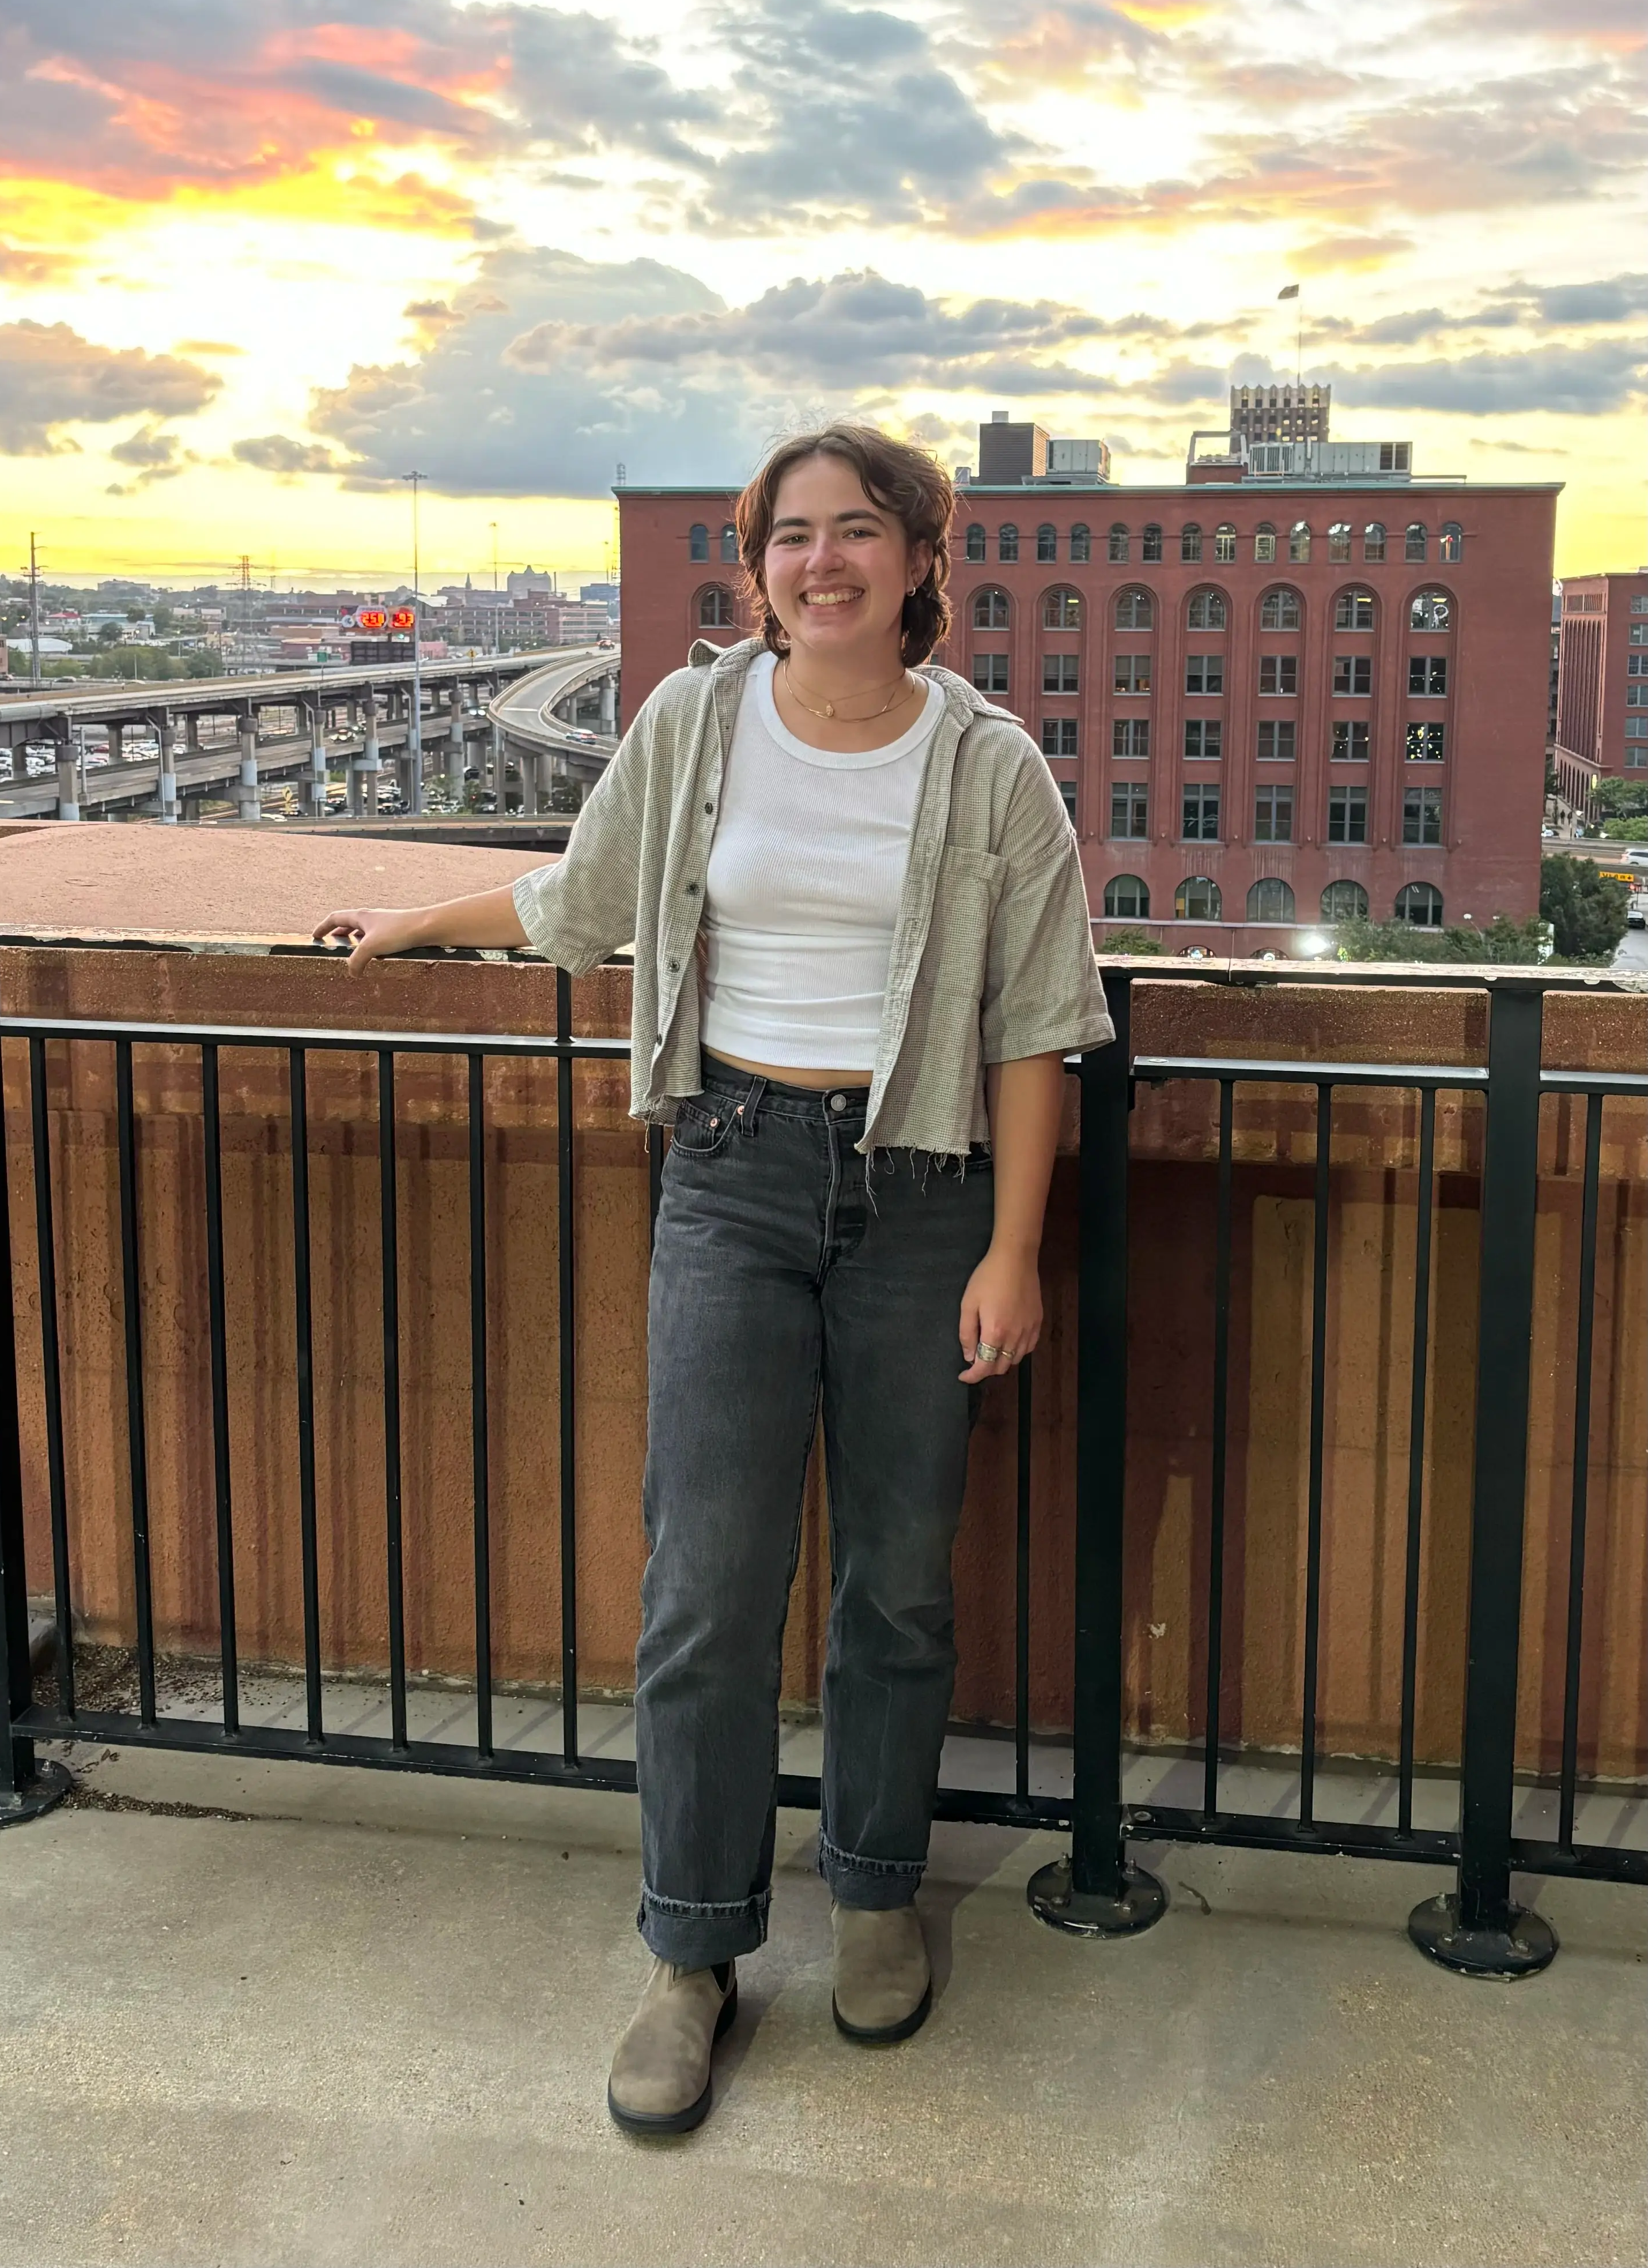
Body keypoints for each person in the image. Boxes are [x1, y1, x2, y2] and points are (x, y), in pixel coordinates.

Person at [313, 423, 1112, 2135]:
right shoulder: (690, 724)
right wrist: (410, 924)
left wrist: (1013, 1249)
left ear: (916, 557)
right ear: (756, 568)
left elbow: (1043, 1022)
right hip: (732, 1179)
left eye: (857, 532)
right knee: (706, 1586)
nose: (823, 563)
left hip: (923, 1195)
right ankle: (691, 1955)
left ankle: (880, 1898)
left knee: (898, 1579)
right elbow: (583, 899)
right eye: (790, 537)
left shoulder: (992, 767)